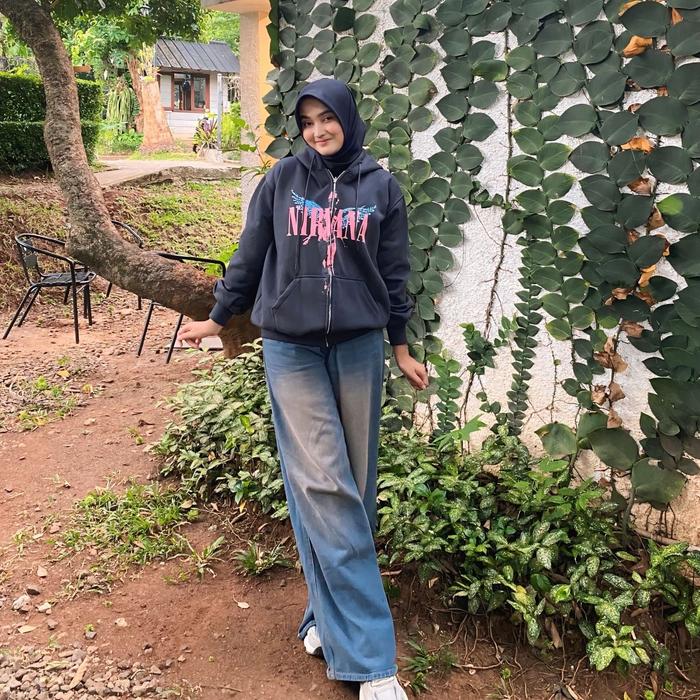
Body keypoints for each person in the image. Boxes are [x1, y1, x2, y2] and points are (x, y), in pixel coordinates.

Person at [177, 78, 428, 700]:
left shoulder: (381, 187)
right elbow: (250, 253)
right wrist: (219, 315)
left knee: (355, 491)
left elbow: (394, 272)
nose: (318, 130)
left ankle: (324, 619)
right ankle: (371, 662)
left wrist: (400, 345)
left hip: (359, 346)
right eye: (308, 120)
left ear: (348, 118)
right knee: (324, 485)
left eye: (327, 118)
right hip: (291, 348)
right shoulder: (282, 180)